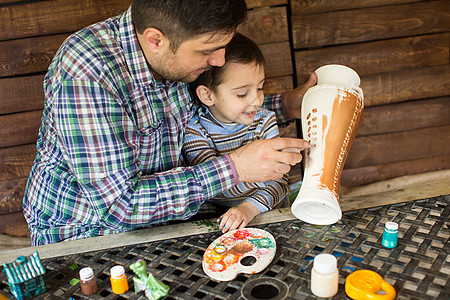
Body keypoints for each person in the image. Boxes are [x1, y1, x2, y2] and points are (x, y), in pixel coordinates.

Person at [23, 0, 316, 245]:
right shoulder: (86, 77)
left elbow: (214, 108)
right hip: (86, 235)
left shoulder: (175, 55)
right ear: (155, 41)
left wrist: (285, 107)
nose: (218, 60)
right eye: (207, 50)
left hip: (173, 218)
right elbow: (120, 207)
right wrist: (236, 167)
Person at [183, 33, 310, 233]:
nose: (257, 101)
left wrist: (248, 208)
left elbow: (279, 182)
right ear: (208, 95)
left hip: (269, 216)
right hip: (222, 226)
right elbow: (213, 187)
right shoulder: (195, 131)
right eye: (242, 93)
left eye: (260, 87)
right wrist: (256, 179)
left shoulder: (264, 119)